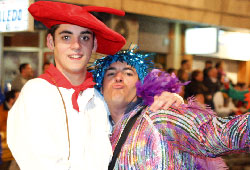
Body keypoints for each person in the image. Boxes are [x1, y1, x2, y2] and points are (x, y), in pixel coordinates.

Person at [7, 2, 182, 170]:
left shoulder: (98, 98)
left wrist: (168, 99)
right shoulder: (37, 92)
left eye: (84, 37)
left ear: (94, 44)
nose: (76, 46)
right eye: (66, 37)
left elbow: (130, 123)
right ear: (51, 42)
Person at [92, 50, 250, 170]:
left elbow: (217, 135)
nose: (118, 77)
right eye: (111, 73)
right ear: (101, 87)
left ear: (141, 86)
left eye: (128, 73)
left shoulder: (158, 115)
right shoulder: (94, 130)